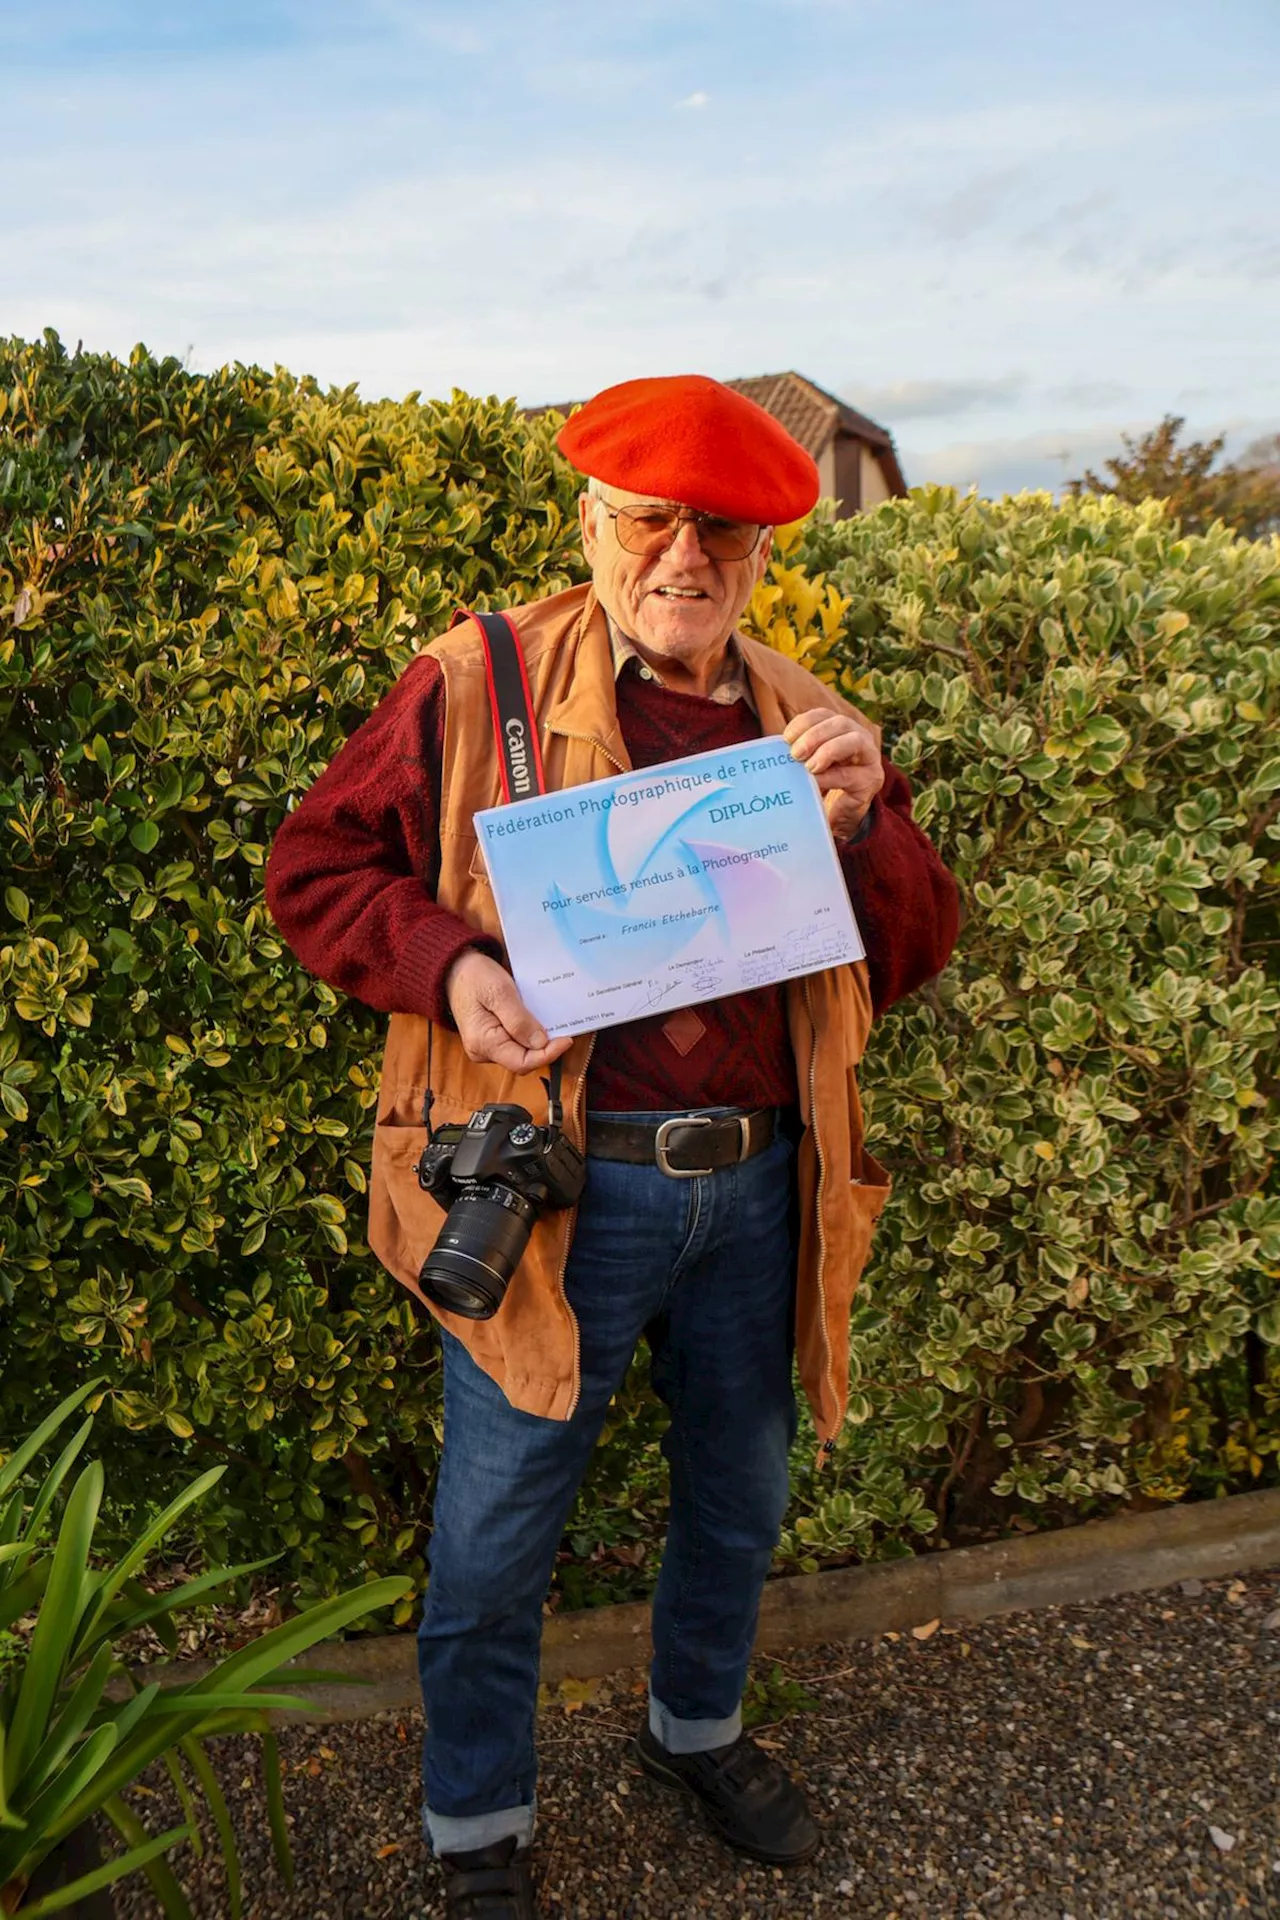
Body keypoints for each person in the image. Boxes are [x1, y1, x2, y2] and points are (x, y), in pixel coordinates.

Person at [265, 374, 958, 1919]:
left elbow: (905, 954)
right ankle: (474, 1826)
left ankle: (693, 1729)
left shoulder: (799, 721)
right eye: (654, 521)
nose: (686, 557)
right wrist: (449, 968)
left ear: (765, 555)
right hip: (559, 1197)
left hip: (762, 1185)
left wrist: (870, 832)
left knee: (739, 1494)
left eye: (723, 531)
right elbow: (314, 866)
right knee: (499, 1526)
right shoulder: (470, 681)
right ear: (594, 524)